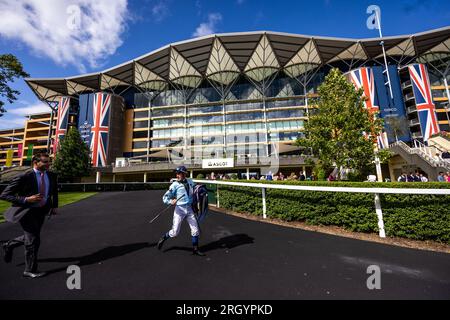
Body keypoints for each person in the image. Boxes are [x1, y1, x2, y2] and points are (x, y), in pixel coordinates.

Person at [0, 152, 58, 278]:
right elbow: (4, 195)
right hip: (27, 212)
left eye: (49, 161)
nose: (49, 164)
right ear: (36, 163)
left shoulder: (52, 175)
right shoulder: (24, 176)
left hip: (41, 210)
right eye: (45, 162)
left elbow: (54, 191)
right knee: (33, 240)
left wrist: (54, 206)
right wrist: (26, 199)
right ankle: (29, 270)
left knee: (32, 236)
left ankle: (9, 245)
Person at [157, 166, 205, 256]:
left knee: (195, 229)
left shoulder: (190, 181)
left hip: (189, 209)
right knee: (175, 232)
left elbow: (196, 190)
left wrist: (201, 190)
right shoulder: (174, 185)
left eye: (179, 173)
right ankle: (164, 237)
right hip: (180, 209)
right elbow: (165, 197)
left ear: (184, 174)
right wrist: (171, 201)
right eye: (177, 173)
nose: (177, 175)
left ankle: (195, 249)